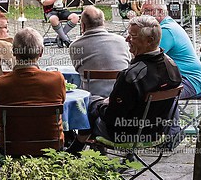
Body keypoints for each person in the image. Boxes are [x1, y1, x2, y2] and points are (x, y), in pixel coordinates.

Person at [77, 16, 182, 144]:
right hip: (157, 132)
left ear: (149, 41)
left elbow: (112, 118)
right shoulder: (172, 66)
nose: (127, 39)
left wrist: (102, 105)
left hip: (124, 135)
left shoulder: (131, 76)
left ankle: (76, 151)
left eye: (132, 36)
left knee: (86, 103)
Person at [0, 28, 66, 151]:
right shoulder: (56, 79)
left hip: (11, 146)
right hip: (51, 145)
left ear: (14, 52)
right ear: (41, 52)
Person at [141, 0, 201, 99]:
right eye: (142, 11)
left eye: (147, 11)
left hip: (188, 80)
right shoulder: (166, 25)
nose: (143, 15)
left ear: (161, 12)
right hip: (176, 77)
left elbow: (147, 58)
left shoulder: (166, 30)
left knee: (147, 96)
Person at [69, 6, 130, 97]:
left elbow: (78, 70)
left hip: (93, 97)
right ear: (103, 23)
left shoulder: (75, 46)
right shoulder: (122, 41)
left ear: (83, 25)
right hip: (121, 95)